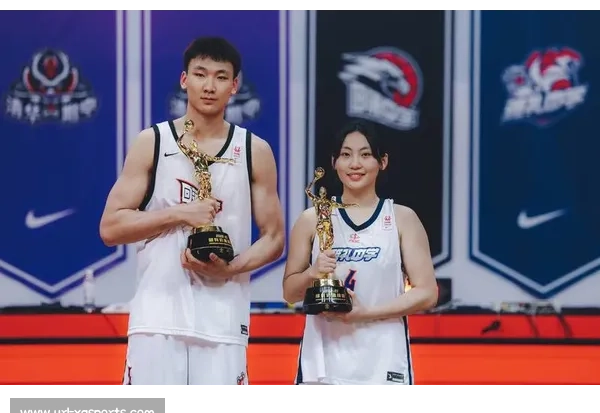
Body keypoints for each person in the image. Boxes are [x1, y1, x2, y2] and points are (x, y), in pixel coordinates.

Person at [100, 36, 285, 387]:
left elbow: (274, 238)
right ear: (184, 80)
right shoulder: (152, 142)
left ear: (235, 86)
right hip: (157, 319)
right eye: (200, 74)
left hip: (223, 321)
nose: (209, 86)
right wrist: (180, 214)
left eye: (220, 77)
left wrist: (230, 268)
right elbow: (111, 227)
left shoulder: (254, 150)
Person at [282, 119, 438, 387]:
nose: (355, 164)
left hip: (384, 361)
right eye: (346, 155)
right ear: (334, 162)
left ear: (382, 161)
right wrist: (312, 273)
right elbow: (289, 293)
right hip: (323, 363)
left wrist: (366, 313)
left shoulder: (401, 218)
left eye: (365, 155)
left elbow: (427, 293)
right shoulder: (311, 219)